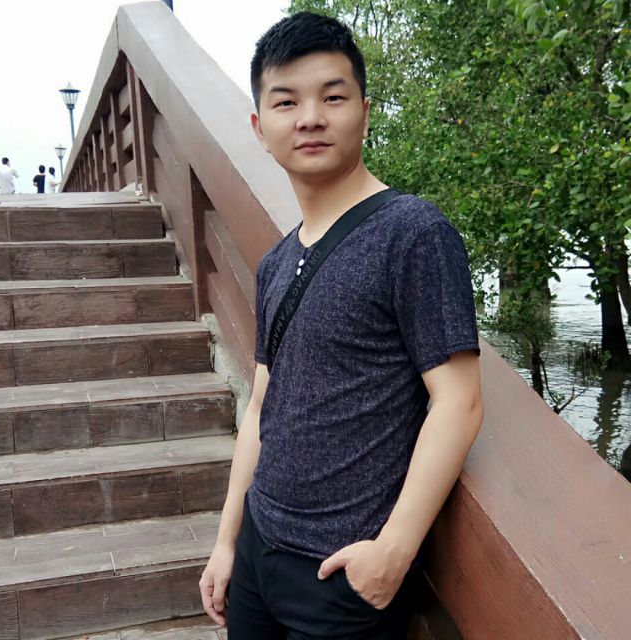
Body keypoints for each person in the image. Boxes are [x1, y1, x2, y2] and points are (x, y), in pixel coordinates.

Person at [199, 12, 483, 640]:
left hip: (340, 574)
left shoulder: (413, 233)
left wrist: (394, 551)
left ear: (365, 112)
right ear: (260, 128)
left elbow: (459, 401)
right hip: (259, 550)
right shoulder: (278, 261)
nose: (310, 118)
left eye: (332, 97)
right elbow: (262, 406)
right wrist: (227, 541)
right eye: (286, 102)